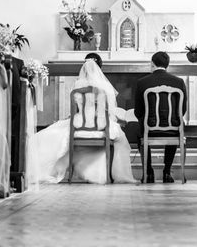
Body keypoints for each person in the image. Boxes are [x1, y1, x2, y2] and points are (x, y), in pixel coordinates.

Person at [28, 57, 136, 185]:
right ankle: (110, 174)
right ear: (99, 69)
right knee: (119, 138)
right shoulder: (106, 87)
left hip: (78, 123)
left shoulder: (77, 85)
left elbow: (75, 109)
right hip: (102, 124)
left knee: (48, 135)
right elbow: (110, 111)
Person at [134, 51, 187, 183]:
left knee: (140, 128)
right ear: (168, 65)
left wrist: (146, 121)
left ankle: (149, 173)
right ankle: (167, 172)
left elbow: (138, 112)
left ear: (152, 63)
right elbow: (183, 110)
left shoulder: (142, 82)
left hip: (149, 129)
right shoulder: (179, 82)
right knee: (176, 124)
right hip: (173, 129)